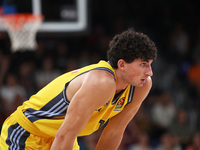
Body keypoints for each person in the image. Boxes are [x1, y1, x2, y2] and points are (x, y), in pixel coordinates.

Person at [0, 28, 157, 150]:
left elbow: (113, 133)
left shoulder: (142, 85)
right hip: (27, 133)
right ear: (122, 65)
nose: (149, 72)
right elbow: (64, 135)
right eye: (143, 64)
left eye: (150, 64)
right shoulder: (102, 83)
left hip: (60, 136)